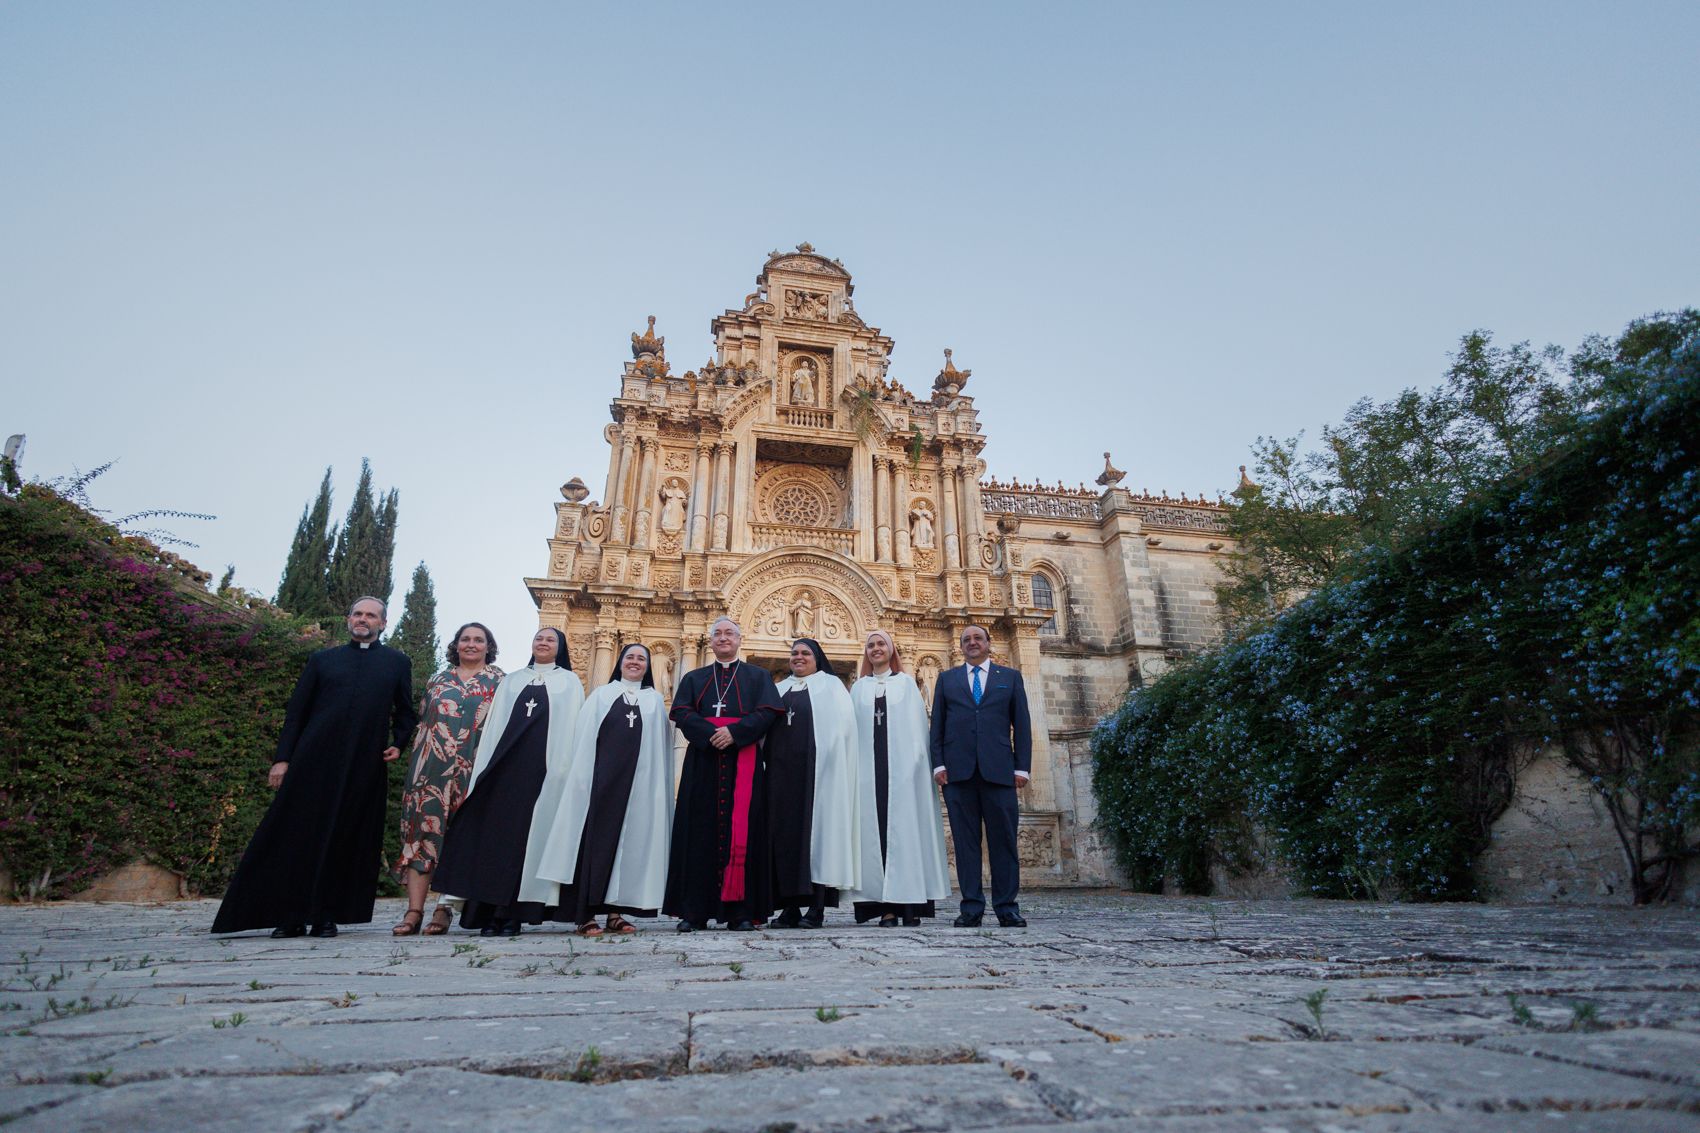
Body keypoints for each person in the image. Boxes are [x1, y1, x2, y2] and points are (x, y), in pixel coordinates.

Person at [212, 597, 417, 938]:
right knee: (296, 835)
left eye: (370, 615)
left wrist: (398, 741)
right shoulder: (323, 660)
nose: (362, 620)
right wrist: (282, 759)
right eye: (357, 614)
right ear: (348, 619)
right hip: (312, 761)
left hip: (362, 765)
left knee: (346, 836)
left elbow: (406, 711)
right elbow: (297, 713)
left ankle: (326, 914)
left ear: (383, 623)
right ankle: (289, 915)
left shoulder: (397, 663)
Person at [432, 627, 584, 935]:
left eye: (550, 639)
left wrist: (563, 772)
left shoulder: (569, 683)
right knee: (494, 840)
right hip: (503, 772)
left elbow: (572, 731)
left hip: (544, 775)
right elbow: (494, 728)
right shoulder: (512, 680)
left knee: (527, 843)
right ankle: (486, 912)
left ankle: (513, 914)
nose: (543, 642)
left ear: (560, 647)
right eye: (539, 638)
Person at [535, 644, 673, 935]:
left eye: (641, 659)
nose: (635, 662)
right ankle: (584, 914)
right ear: (619, 663)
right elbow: (584, 740)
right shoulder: (601, 695)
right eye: (630, 657)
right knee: (592, 846)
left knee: (628, 848)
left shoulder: (654, 701)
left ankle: (615, 912)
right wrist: (584, 779)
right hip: (599, 784)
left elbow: (660, 752)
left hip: (637, 787)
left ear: (648, 667)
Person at [663, 616, 784, 931]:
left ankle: (741, 912)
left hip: (743, 759)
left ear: (740, 639)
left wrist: (736, 732)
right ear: (712, 640)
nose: (723, 638)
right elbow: (682, 711)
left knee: (746, 832)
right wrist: (709, 733)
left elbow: (768, 711)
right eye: (717, 634)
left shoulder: (758, 677)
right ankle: (694, 912)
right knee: (697, 832)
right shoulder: (694, 677)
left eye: (729, 633)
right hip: (702, 762)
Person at [390, 623, 503, 936]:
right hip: (429, 770)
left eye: (478, 640)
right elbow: (424, 720)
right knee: (421, 836)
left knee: (460, 837)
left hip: (474, 770)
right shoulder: (438, 679)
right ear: (456, 645)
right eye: (465, 639)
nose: (471, 644)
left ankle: (443, 909)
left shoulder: (500, 681)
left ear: (488, 646)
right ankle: (413, 911)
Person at [930, 624, 1032, 927]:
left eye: (977, 638)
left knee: (1004, 842)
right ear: (961, 647)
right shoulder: (947, 680)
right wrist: (939, 765)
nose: (972, 643)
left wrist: (1021, 767)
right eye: (966, 640)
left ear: (989, 643)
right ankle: (971, 907)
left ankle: (1007, 907)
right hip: (958, 775)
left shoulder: (1009, 678)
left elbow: (1023, 725)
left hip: (999, 772)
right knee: (965, 844)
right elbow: (937, 726)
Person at [849, 630, 950, 926]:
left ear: (891, 650)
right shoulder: (858, 689)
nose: (876, 649)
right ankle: (884, 909)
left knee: (905, 838)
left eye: (881, 644)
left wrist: (916, 770)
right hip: (868, 776)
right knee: (874, 836)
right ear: (865, 652)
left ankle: (908, 907)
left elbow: (919, 733)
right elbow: (851, 733)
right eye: (871, 645)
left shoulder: (906, 684)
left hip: (904, 777)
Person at [767, 638, 858, 929]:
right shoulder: (778, 689)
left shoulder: (831, 687)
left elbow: (843, 731)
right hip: (782, 776)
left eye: (805, 653)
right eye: (794, 653)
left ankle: (817, 908)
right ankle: (789, 908)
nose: (799, 657)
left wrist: (832, 764)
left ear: (817, 658)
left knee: (820, 839)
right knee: (785, 840)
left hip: (820, 775)